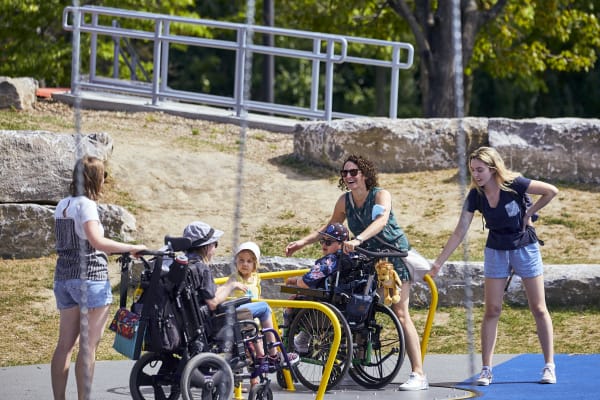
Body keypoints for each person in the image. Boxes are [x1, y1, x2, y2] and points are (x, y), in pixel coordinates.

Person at [285, 154, 429, 391]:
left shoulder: (380, 195)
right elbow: (329, 227)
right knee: (360, 309)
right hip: (365, 258)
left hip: (391, 255)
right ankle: (354, 364)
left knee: (400, 312)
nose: (349, 177)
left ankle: (418, 374)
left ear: (364, 174)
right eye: (345, 173)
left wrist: (359, 238)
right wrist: (302, 242)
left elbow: (381, 221)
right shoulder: (345, 201)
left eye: (354, 172)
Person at [429, 146, 558, 386]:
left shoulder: (515, 183)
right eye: (472, 171)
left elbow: (551, 191)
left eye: (480, 170)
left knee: (539, 307)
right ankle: (486, 369)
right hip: (496, 250)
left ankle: (549, 366)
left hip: (524, 247)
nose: (476, 175)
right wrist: (438, 262)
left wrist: (529, 212)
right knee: (492, 310)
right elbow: (460, 231)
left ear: (492, 168)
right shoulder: (475, 195)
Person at [51, 156, 147, 400]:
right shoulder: (87, 205)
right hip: (90, 277)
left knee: (65, 346)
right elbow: (97, 242)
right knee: (87, 347)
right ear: (95, 179)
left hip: (64, 277)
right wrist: (130, 247)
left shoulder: (63, 204)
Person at [229, 241, 299, 382]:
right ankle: (240, 382)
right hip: (241, 319)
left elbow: (258, 295)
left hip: (254, 321)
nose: (245, 264)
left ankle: (257, 380)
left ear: (255, 264)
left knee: (256, 351)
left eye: (249, 261)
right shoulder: (234, 278)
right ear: (236, 262)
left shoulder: (256, 278)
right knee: (244, 352)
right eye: (241, 260)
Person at [284, 223, 353, 354]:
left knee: (293, 300)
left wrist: (294, 280)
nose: (323, 246)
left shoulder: (330, 261)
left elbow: (305, 282)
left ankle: (293, 340)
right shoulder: (353, 258)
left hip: (327, 308)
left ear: (342, 243)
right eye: (322, 241)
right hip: (348, 307)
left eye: (328, 242)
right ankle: (303, 337)